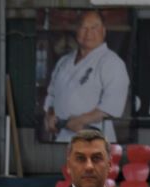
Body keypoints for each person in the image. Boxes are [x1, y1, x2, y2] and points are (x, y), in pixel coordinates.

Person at [43, 10, 130, 143]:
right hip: (62, 137)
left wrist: (81, 120)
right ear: (76, 30)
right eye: (84, 27)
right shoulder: (64, 61)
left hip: (94, 139)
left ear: (104, 31)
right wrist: (50, 114)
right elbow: (51, 94)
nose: (88, 33)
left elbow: (112, 106)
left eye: (94, 27)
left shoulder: (112, 62)